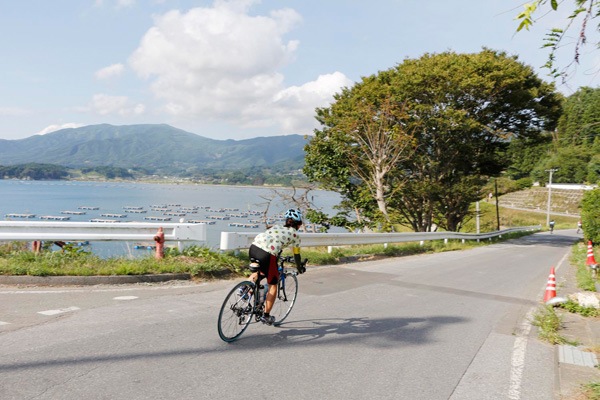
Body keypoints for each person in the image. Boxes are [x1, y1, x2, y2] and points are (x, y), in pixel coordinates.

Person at [247, 208, 306, 325]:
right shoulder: (295, 235)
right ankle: (266, 316)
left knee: (260, 272)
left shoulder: (276, 227)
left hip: (253, 248)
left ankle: (244, 289)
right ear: (299, 224)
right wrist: (300, 268)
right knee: (273, 284)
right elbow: (297, 256)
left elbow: (273, 240)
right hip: (267, 254)